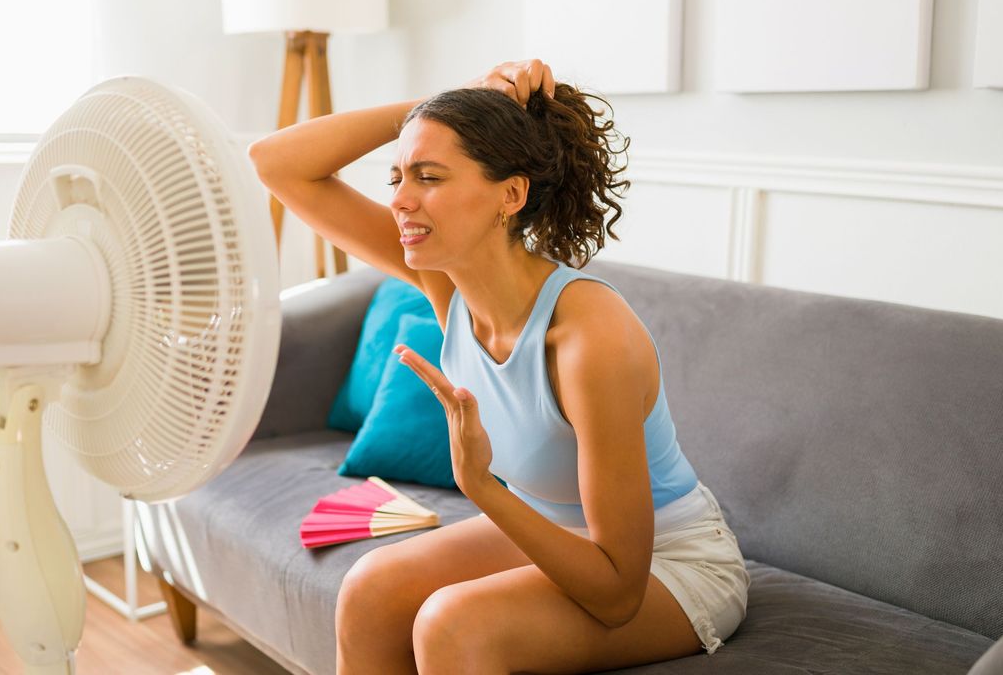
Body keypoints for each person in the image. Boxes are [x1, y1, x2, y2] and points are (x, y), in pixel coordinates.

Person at [249, 59, 750, 675]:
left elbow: (618, 593)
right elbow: (276, 162)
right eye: (398, 176)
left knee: (452, 626)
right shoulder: (444, 283)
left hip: (669, 566)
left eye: (429, 177)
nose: (401, 201)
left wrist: (480, 486)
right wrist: (449, 103)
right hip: (552, 529)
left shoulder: (589, 339)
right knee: (370, 587)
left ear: (510, 196)